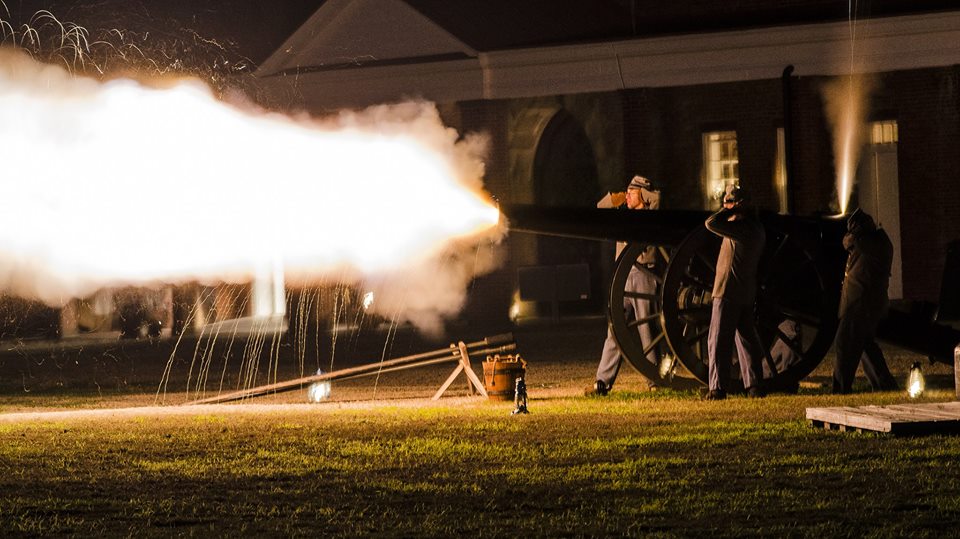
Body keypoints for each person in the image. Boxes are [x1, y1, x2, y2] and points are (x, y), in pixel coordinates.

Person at [586, 175, 660, 396]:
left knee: (646, 328)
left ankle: (654, 379)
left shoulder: (652, 215)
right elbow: (600, 209)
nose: (626, 195)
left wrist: (642, 193)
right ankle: (602, 380)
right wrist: (617, 197)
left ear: (642, 194)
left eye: (631, 191)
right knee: (615, 329)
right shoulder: (624, 214)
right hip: (624, 275)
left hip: (644, 273)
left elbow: (656, 200)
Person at [702, 185, 767, 400]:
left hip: (727, 291)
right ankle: (754, 386)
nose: (725, 205)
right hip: (745, 291)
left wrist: (727, 210)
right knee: (746, 339)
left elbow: (710, 223)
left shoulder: (741, 228)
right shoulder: (755, 228)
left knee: (718, 340)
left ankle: (717, 388)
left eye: (729, 202)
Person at [832, 208, 898, 394]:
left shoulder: (865, 242)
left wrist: (848, 231)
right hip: (866, 303)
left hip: (860, 304)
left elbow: (847, 241)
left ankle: (841, 388)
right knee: (865, 345)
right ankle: (884, 384)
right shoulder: (878, 242)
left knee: (844, 344)